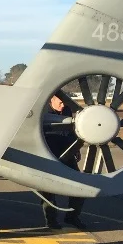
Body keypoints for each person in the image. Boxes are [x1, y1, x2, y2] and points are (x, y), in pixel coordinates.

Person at [41, 92, 86, 229]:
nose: (63, 106)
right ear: (51, 101)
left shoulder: (66, 110)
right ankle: (51, 221)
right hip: (47, 155)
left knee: (81, 186)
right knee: (47, 190)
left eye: (64, 103)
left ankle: (72, 216)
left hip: (66, 153)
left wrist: (76, 148)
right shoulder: (42, 112)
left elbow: (72, 130)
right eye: (60, 103)